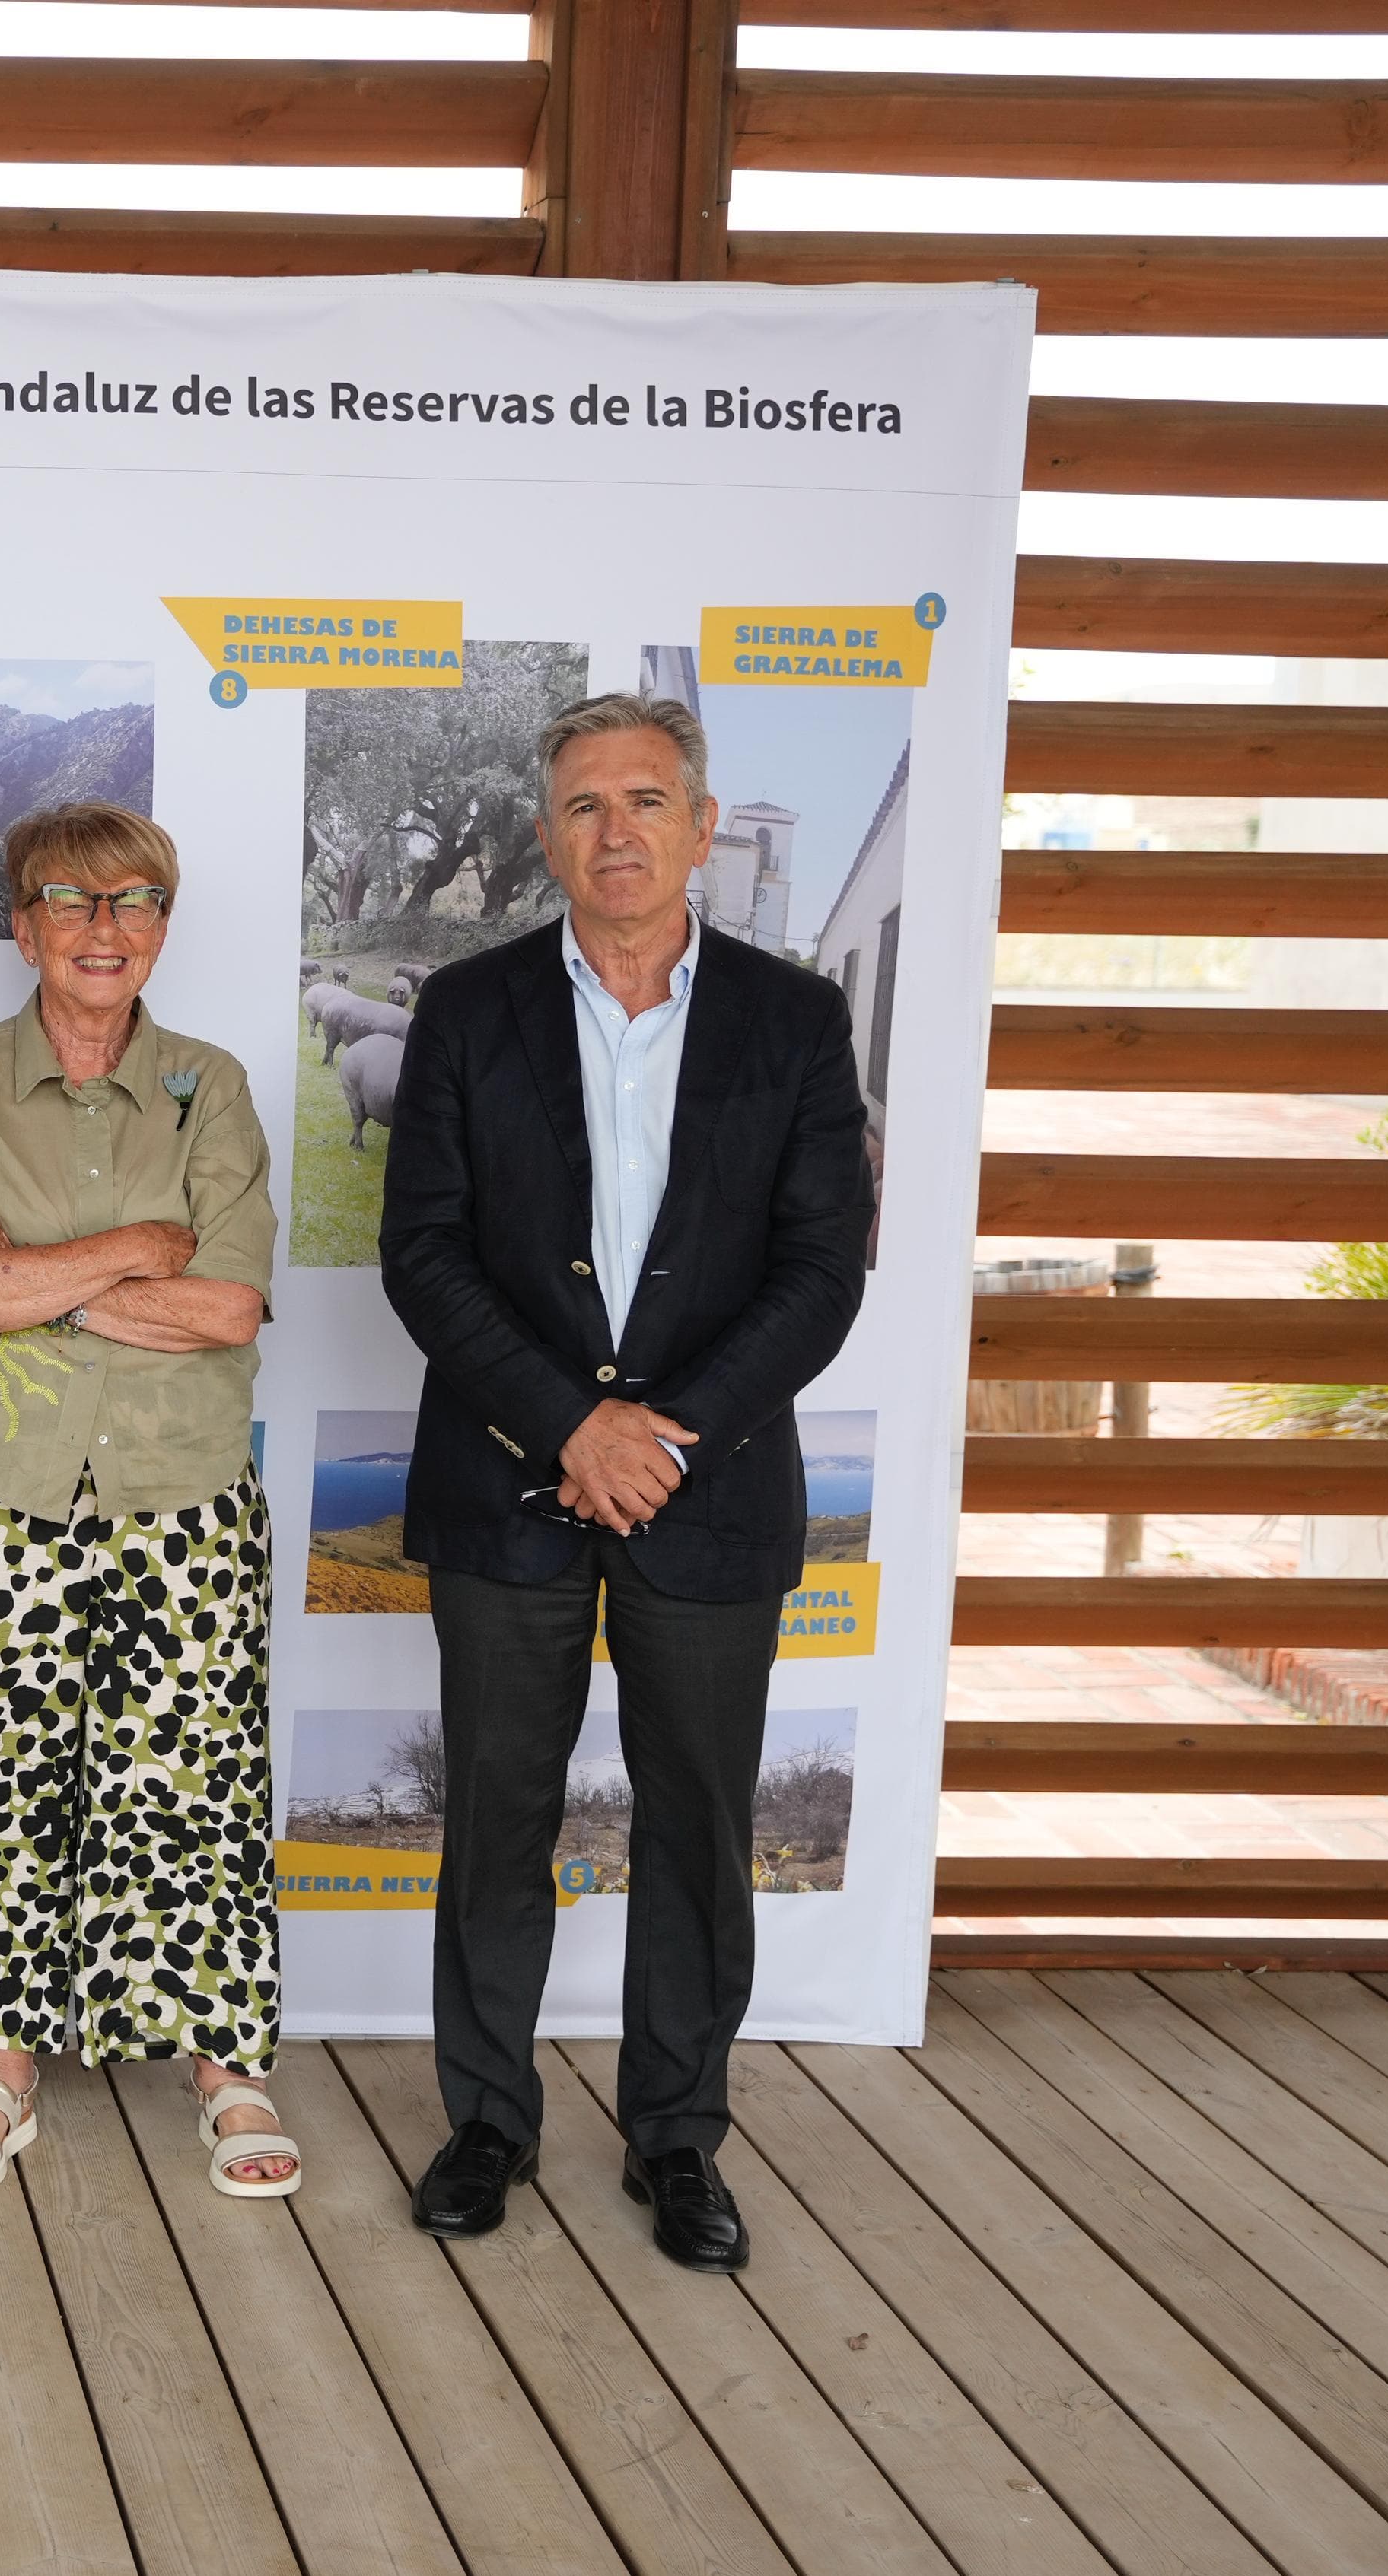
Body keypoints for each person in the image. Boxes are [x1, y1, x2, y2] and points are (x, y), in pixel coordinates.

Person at [377, 692, 871, 2272]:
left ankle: (678, 2138)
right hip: (510, 1479)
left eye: (646, 800)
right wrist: (568, 1427)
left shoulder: (793, 1024)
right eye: (584, 804)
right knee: (495, 1816)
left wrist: (666, 1435)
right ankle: (486, 2122)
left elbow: (816, 1270)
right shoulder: (465, 1008)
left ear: (702, 826)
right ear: (547, 836)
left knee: (696, 1825)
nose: (615, 831)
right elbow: (425, 1255)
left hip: (707, 1492)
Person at [0, 805, 293, 2203]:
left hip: (179, 1493)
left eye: (135, 901)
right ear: (21, 925)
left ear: (164, 926)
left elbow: (229, 1308)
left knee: (188, 1781)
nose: (105, 927)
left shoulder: (212, 1086)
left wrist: (32, 1273)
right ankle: (1, 2065)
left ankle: (223, 2061)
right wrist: (129, 1253)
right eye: (70, 898)